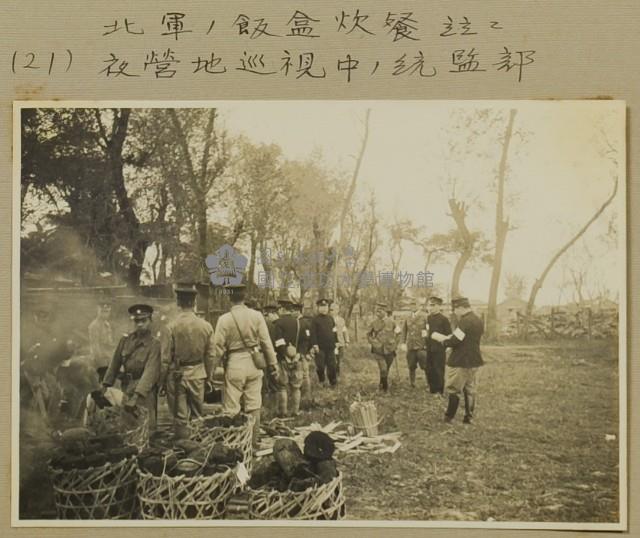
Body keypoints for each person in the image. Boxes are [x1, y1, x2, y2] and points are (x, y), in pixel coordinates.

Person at [212, 284, 279, 447]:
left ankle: (234, 443)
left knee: (231, 405)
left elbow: (218, 347)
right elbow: (266, 342)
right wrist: (273, 364)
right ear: (244, 297)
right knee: (254, 403)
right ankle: (253, 442)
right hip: (254, 362)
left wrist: (212, 369)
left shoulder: (224, 319)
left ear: (229, 298)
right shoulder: (256, 316)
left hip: (235, 362)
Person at [161, 283, 216, 439]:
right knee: (198, 413)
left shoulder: (170, 327)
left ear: (178, 302)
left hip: (177, 376)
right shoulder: (206, 326)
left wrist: (162, 381)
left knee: (180, 416)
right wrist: (209, 376)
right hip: (198, 374)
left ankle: (183, 446)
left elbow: (165, 359)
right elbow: (211, 355)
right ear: (194, 303)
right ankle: (199, 443)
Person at [102, 304, 162, 430]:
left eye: (143, 320)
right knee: (127, 425)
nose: (140, 324)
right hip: (126, 386)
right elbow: (114, 363)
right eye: (137, 321)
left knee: (144, 426)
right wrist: (105, 385)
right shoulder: (125, 340)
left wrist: (136, 396)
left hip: (144, 391)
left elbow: (150, 372)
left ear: (150, 321)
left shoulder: (154, 344)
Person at [431, 297, 484, 424]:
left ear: (461, 308)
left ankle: (449, 417)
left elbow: (455, 341)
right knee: (470, 389)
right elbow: (469, 339)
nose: (454, 312)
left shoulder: (464, 321)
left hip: (460, 360)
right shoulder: (478, 320)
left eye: (455, 309)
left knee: (453, 388)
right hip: (475, 359)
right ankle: (468, 417)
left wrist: (444, 341)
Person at [273, 299, 304, 417]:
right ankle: (295, 411)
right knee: (296, 387)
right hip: (297, 358)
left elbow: (279, 342)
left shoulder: (278, 323)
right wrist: (298, 355)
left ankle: (283, 412)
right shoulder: (299, 322)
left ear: (282, 309)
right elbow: (304, 341)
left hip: (283, 359)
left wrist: (284, 356)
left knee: (282, 387)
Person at [367, 303, 400, 392]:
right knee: (383, 368)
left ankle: (381, 384)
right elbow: (368, 334)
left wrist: (395, 344)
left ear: (385, 311)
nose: (378, 313)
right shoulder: (374, 323)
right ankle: (385, 388)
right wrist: (374, 343)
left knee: (386, 369)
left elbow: (398, 333)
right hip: (378, 350)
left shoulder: (392, 322)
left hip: (389, 349)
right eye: (377, 311)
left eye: (380, 311)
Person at [425, 296, 452, 396]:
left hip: (439, 349)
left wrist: (446, 346)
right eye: (429, 305)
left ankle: (439, 391)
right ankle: (432, 389)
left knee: (438, 369)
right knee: (429, 369)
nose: (430, 308)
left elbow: (449, 335)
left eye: (433, 305)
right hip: (429, 348)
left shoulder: (444, 319)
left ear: (439, 306)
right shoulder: (428, 318)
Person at [310, 298, 338, 387]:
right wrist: (315, 345)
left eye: (325, 306)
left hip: (330, 347)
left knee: (332, 365)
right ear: (318, 308)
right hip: (320, 347)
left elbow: (334, 331)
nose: (324, 309)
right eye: (321, 307)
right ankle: (321, 381)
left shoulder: (330, 318)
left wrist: (336, 341)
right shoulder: (315, 320)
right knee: (320, 366)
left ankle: (333, 382)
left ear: (328, 307)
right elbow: (313, 334)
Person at [402, 300, 428, 388]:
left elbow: (428, 330)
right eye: (411, 304)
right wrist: (403, 342)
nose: (413, 306)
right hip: (411, 345)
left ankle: (429, 383)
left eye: (415, 304)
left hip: (422, 345)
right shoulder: (407, 316)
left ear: (419, 305)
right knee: (411, 365)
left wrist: (427, 343)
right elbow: (404, 331)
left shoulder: (425, 316)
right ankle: (412, 383)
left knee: (425, 365)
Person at [87, 294, 114, 371]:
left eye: (107, 311)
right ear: (98, 310)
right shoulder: (94, 326)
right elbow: (95, 347)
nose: (105, 313)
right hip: (99, 361)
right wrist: (102, 365)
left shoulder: (107, 324)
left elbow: (109, 343)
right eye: (102, 311)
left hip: (108, 358)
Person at [330, 302, 349, 378]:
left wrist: (347, 341)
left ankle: (338, 374)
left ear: (338, 310)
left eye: (334, 310)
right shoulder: (327, 319)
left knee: (339, 359)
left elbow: (345, 330)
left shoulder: (341, 320)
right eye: (331, 310)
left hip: (341, 343)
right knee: (332, 360)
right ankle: (332, 375)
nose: (332, 311)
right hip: (331, 344)